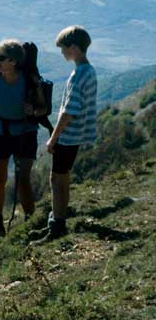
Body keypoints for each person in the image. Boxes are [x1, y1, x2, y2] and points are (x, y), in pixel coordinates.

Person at [0, 39, 47, 241]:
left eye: (1, 58)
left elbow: (43, 109)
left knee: (23, 180)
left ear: (13, 61)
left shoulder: (30, 80)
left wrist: (32, 110)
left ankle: (32, 221)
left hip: (25, 133)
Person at [30, 26, 97, 243]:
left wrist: (53, 137)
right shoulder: (89, 70)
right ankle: (56, 221)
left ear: (74, 48)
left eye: (63, 48)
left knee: (57, 180)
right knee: (61, 177)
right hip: (77, 135)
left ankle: (57, 225)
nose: (61, 53)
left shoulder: (78, 75)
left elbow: (69, 110)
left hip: (68, 135)